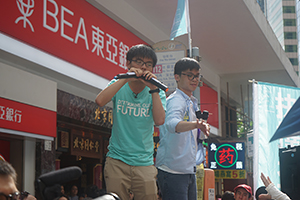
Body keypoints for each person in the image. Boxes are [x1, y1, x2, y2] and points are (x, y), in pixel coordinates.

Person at [95, 44, 166, 200]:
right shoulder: (118, 82)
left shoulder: (157, 90)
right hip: (117, 160)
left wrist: (153, 89)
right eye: (138, 62)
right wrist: (126, 78)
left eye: (148, 65)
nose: (143, 67)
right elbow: (100, 100)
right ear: (128, 63)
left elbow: (160, 120)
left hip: (144, 162)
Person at [155, 57, 210, 200]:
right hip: (173, 171)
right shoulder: (176, 100)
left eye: (197, 76)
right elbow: (172, 124)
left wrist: (200, 128)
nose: (194, 79)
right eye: (189, 75)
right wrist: (196, 124)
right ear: (177, 77)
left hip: (187, 170)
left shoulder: (190, 101)